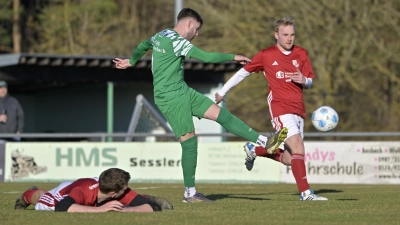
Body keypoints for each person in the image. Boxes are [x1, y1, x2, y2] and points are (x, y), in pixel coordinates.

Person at [113, 8, 288, 203]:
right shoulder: (178, 41)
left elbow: (143, 45)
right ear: (188, 24)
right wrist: (233, 57)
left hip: (183, 91)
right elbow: (206, 57)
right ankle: (189, 193)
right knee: (189, 143)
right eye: (196, 30)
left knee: (223, 116)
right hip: (170, 98)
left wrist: (132, 61)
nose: (196, 34)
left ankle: (265, 142)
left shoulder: (161, 34)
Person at [215, 16, 327, 201]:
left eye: (292, 35)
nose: (289, 38)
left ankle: (255, 150)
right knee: (298, 145)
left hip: (299, 109)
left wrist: (304, 81)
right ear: (276, 35)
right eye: (285, 35)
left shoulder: (302, 53)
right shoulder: (266, 55)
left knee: (291, 158)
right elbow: (243, 73)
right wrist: (222, 92)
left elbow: (310, 82)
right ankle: (306, 193)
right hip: (280, 109)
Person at [14, 168, 173, 212]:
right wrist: (101, 210)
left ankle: (144, 196)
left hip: (89, 194)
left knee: (135, 201)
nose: (127, 190)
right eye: (124, 189)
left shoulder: (115, 187)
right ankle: (27, 195)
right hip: (62, 195)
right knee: (41, 199)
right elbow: (61, 207)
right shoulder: (84, 191)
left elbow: (155, 207)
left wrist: (128, 210)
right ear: (113, 194)